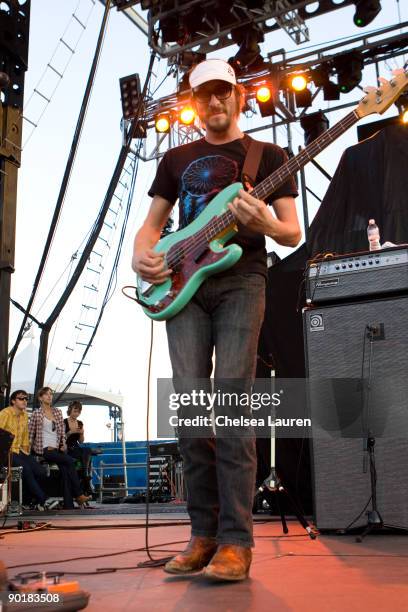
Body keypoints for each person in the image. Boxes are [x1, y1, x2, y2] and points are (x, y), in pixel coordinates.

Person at [132, 59, 301, 581]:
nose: (214, 103)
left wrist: (265, 221)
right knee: (188, 413)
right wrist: (142, 256)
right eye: (204, 95)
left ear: (240, 97)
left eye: (223, 92)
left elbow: (292, 233)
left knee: (230, 410)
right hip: (182, 286)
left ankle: (236, 543)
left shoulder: (268, 156)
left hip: (241, 282)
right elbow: (151, 227)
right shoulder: (176, 157)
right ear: (194, 101)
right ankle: (202, 535)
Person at [29, 387, 91, 509]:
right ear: (40, 398)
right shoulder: (36, 413)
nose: (49, 396)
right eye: (46, 394)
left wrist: (63, 444)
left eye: (51, 394)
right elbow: (31, 434)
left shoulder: (57, 412)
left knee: (65, 471)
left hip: (57, 449)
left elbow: (62, 432)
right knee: (69, 461)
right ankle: (79, 494)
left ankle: (68, 504)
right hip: (44, 448)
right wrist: (29, 450)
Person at [0, 390, 58, 510]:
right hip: (6, 452)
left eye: (26, 399)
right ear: (13, 401)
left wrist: (28, 453)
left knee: (41, 471)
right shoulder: (5, 413)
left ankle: (30, 501)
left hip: (20, 451)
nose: (25, 401)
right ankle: (44, 500)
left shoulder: (25, 415)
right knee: (25, 469)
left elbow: (25, 437)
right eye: (21, 398)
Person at [64, 400, 93, 495]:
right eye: (75, 411)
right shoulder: (64, 421)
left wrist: (82, 433)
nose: (76, 413)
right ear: (70, 410)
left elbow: (81, 441)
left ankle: (85, 474)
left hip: (76, 445)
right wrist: (71, 432)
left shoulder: (80, 423)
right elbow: (61, 437)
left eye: (78, 412)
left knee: (88, 450)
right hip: (67, 446)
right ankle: (86, 477)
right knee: (81, 453)